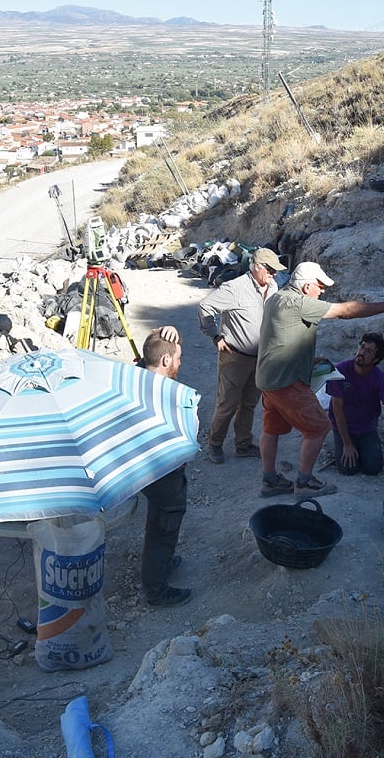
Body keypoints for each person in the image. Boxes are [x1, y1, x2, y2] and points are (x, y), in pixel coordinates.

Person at [256, 261, 384, 497]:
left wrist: (306, 360)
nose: (323, 290)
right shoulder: (299, 303)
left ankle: (269, 481)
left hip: (269, 377)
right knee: (318, 427)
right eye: (320, 285)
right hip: (287, 381)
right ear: (307, 287)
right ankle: (305, 482)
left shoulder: (276, 298)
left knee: (271, 429)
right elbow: (345, 312)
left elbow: (282, 336)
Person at [196, 247, 287, 464]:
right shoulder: (235, 288)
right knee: (227, 403)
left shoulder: (272, 286)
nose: (274, 274)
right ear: (257, 266)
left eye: (275, 270)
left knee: (249, 403)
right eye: (271, 269)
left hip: (260, 358)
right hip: (235, 357)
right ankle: (215, 444)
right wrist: (215, 336)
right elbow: (205, 307)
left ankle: (243, 444)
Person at [137, 326, 192, 607]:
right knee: (163, 526)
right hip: (162, 471)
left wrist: (160, 333)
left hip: (148, 470)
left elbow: (143, 358)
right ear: (167, 361)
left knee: (159, 523)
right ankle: (156, 589)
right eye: (179, 358)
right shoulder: (164, 395)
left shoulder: (137, 378)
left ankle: (163, 563)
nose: (180, 363)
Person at [326, 332, 384, 476]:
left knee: (373, 468)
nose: (362, 352)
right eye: (362, 347)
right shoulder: (340, 371)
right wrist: (347, 443)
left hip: (366, 427)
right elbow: (337, 409)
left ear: (376, 359)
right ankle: (338, 442)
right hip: (343, 425)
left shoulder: (380, 378)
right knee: (348, 469)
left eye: (368, 351)